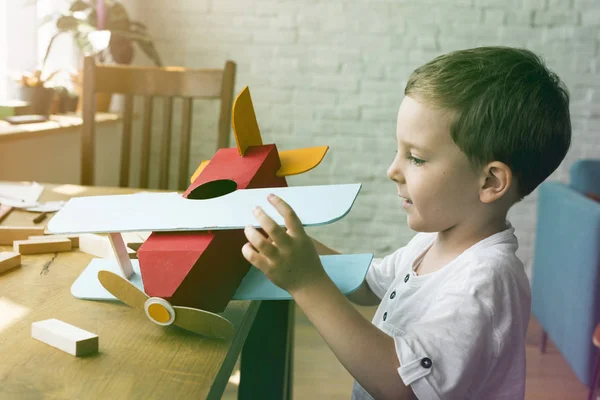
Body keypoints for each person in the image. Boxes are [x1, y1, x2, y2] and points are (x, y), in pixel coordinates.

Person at [241, 46, 572, 400]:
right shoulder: (433, 243)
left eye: (415, 157)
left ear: (490, 182)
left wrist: (307, 283)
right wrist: (296, 247)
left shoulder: (485, 283)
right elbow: (368, 285)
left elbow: (403, 388)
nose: (392, 170)